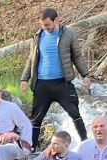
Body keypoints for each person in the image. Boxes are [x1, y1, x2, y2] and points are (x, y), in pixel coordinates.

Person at [19, 8, 91, 147]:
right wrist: (24, 78)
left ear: (56, 20)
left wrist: (85, 74)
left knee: (75, 114)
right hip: (42, 84)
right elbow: (31, 59)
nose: (44, 27)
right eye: (42, 24)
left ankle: (85, 144)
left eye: (47, 24)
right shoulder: (37, 36)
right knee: (36, 119)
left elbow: (77, 55)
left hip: (62, 83)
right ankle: (32, 148)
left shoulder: (68, 33)